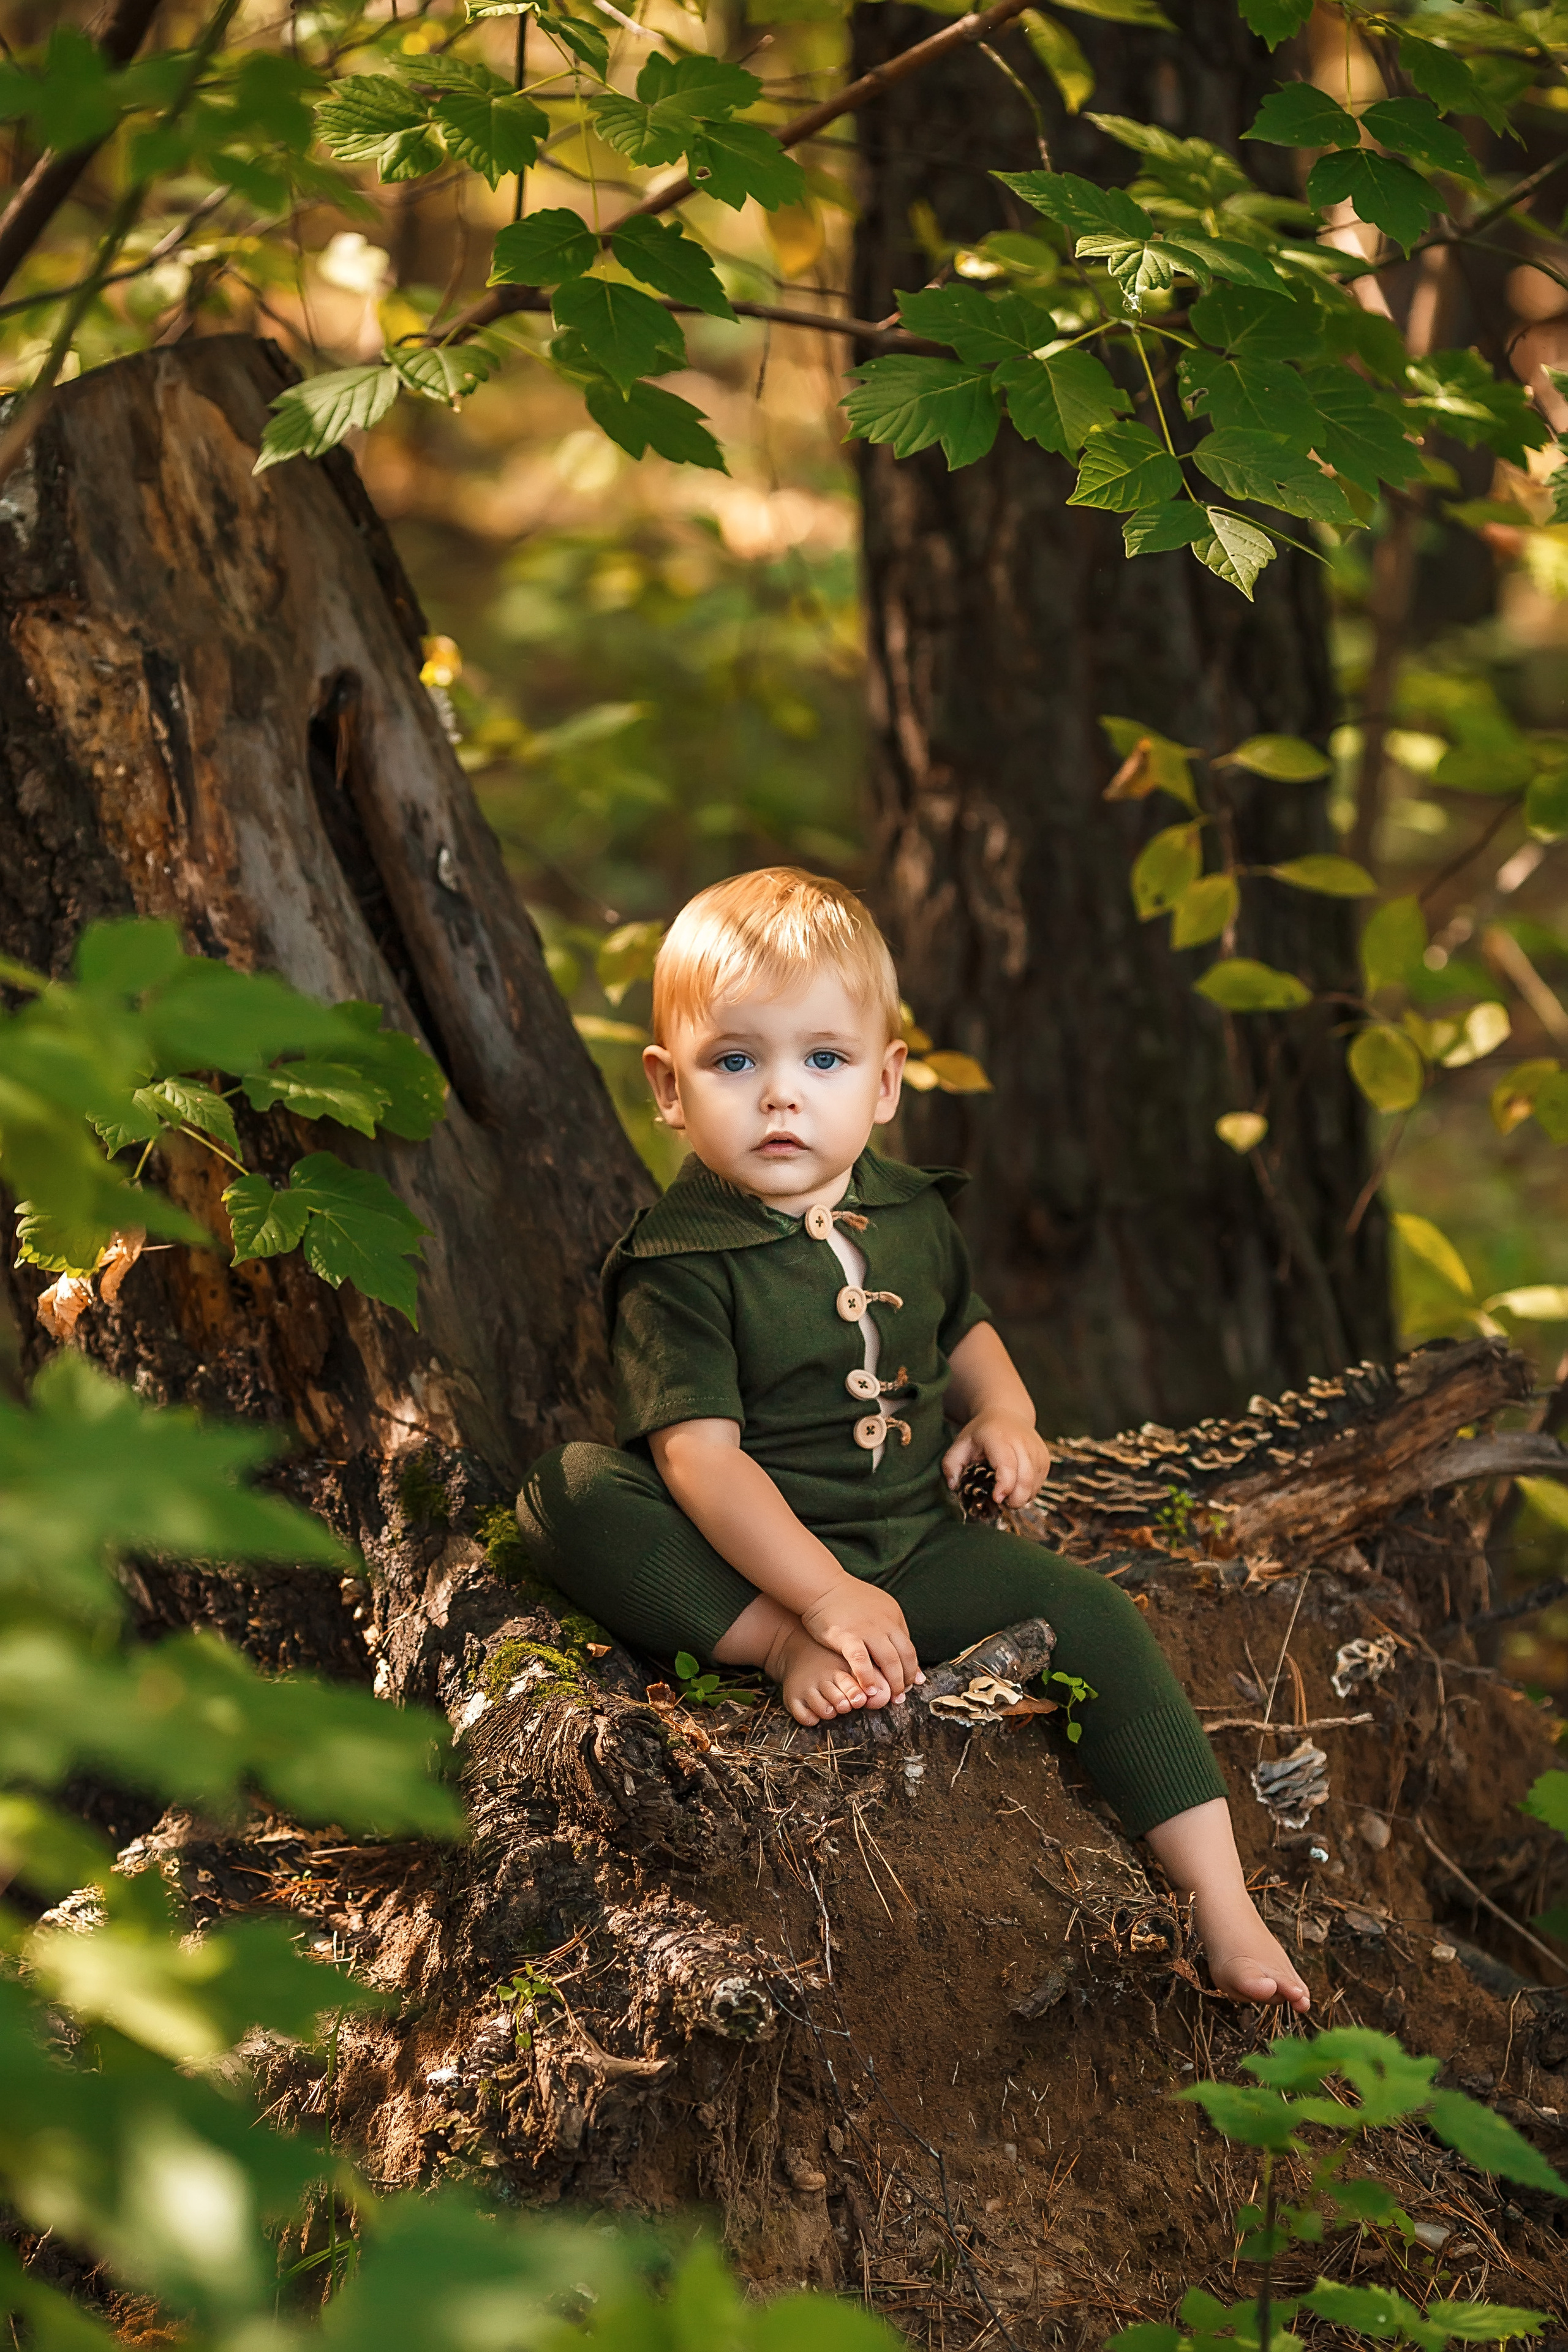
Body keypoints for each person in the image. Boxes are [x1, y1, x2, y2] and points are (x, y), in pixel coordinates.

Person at [518, 869, 1310, 2011]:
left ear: (887, 1082)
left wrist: (1005, 1412)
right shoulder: (678, 1264)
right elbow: (701, 1460)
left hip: (922, 1544)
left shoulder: (907, 1210)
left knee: (1099, 1618)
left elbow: (964, 1324)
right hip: (750, 1555)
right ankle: (780, 1650)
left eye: (824, 1061)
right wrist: (824, 1605)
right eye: (736, 1062)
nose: (782, 1098)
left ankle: (1222, 1903)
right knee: (570, 1494)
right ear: (669, 1088)